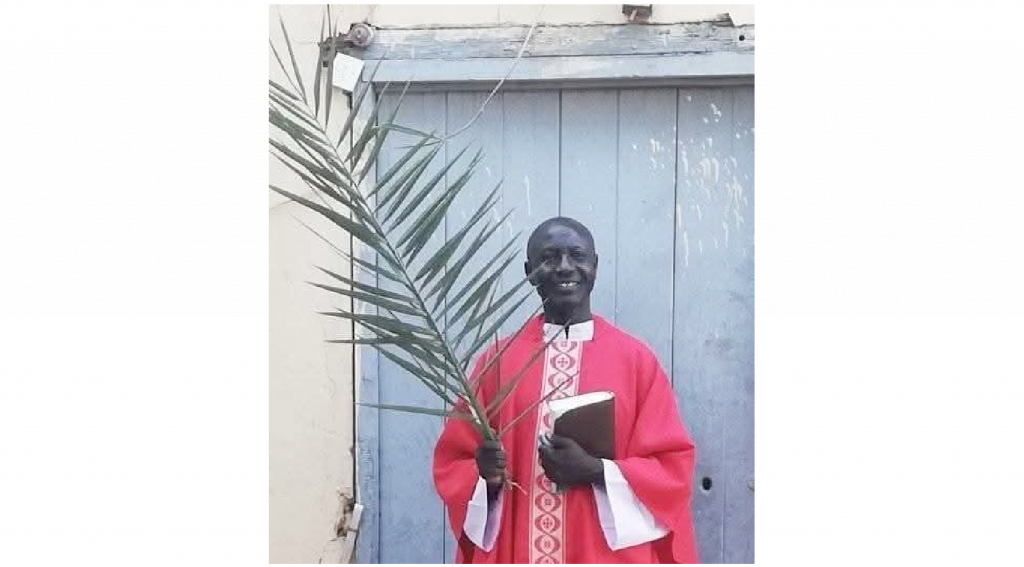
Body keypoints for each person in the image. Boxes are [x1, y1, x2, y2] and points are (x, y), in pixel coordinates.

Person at [432, 216, 699, 564]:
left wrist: (597, 470)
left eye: (577, 255)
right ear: (529, 272)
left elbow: (671, 469)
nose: (564, 267)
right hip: (518, 546)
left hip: (603, 553)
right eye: (548, 258)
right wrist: (487, 476)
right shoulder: (496, 362)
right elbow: (454, 463)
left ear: (594, 266)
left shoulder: (636, 362)